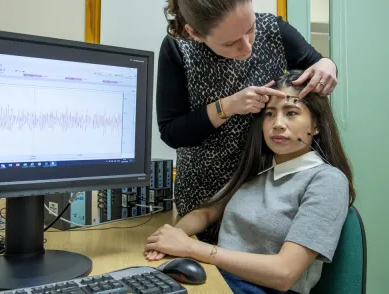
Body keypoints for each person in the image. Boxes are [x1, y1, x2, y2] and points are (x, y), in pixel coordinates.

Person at [145, 70, 355, 294]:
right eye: (269, 114)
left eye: (291, 113)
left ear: (316, 125)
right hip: (218, 277)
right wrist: (171, 237)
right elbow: (207, 212)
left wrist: (191, 248)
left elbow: (284, 274)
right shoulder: (259, 170)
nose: (278, 124)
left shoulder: (327, 181)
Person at [157, 0, 339, 244]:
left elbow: (315, 73)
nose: (247, 48)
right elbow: (172, 132)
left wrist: (328, 64)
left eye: (250, 30)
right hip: (206, 195)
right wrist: (228, 106)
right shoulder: (178, 48)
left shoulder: (275, 30)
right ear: (195, 34)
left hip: (267, 190)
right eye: (231, 43)